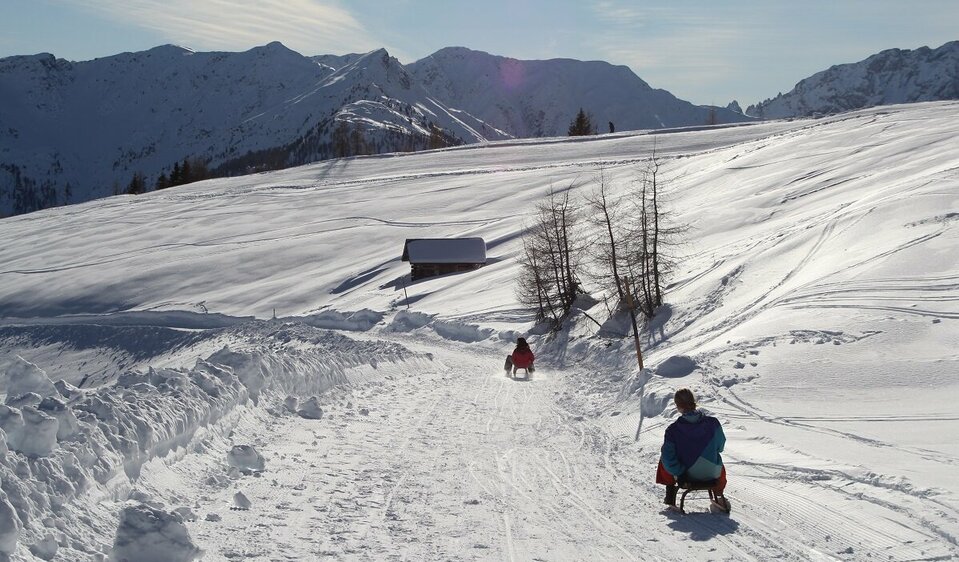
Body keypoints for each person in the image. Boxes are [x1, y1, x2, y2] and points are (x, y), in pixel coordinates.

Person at [656, 388, 728, 510]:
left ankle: (670, 495)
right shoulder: (713, 423)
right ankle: (719, 493)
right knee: (717, 460)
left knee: (664, 458)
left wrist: (679, 472)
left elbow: (668, 459)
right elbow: (720, 447)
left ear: (677, 406)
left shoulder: (672, 430)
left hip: (686, 476)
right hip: (712, 473)